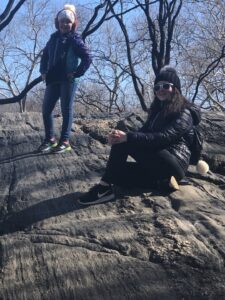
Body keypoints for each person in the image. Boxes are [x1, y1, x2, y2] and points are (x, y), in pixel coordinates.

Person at [78, 66, 201, 206]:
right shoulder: (157, 111)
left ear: (176, 89)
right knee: (116, 174)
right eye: (157, 87)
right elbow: (142, 133)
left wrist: (126, 138)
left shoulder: (184, 112)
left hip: (174, 163)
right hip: (158, 162)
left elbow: (164, 137)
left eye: (166, 86)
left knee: (125, 141)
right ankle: (161, 183)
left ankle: (104, 189)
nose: (160, 89)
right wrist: (117, 135)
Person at [39, 4, 92, 154]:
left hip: (68, 81)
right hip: (53, 78)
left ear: (73, 24)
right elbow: (45, 56)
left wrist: (76, 73)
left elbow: (87, 57)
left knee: (66, 110)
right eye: (62, 21)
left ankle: (65, 141)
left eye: (68, 22)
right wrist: (43, 71)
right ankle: (50, 139)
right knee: (46, 109)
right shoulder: (53, 38)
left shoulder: (76, 39)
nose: (64, 24)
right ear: (58, 23)